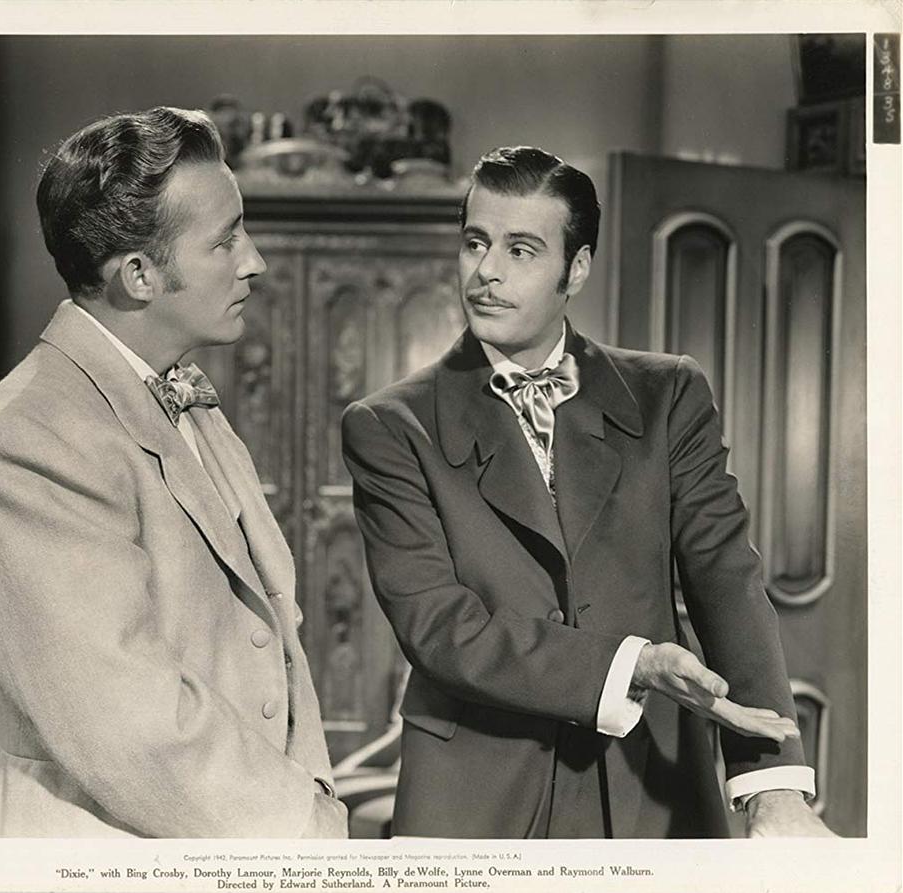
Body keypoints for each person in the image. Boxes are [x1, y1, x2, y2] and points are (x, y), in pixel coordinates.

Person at [340, 146, 833, 839]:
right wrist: (633, 663)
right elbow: (441, 627)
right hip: (476, 796)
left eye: (520, 250)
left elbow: (726, 577)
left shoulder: (667, 394)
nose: (486, 271)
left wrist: (772, 782)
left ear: (576, 268)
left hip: (647, 785)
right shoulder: (391, 424)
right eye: (476, 243)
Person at [0, 107, 347, 838]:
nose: (254, 261)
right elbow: (126, 723)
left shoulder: (182, 393)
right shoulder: (26, 441)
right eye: (225, 240)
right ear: (138, 275)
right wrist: (306, 831)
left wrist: (311, 797)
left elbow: (272, 644)